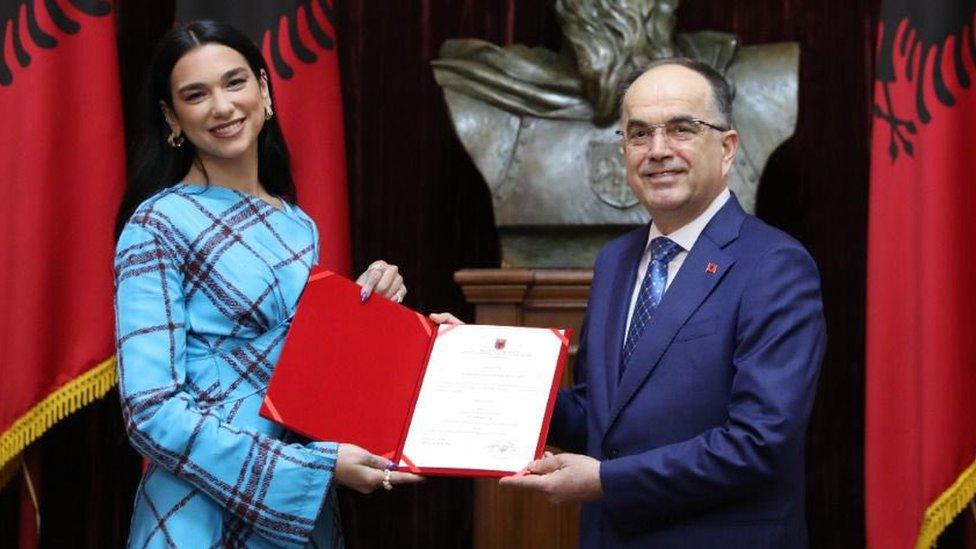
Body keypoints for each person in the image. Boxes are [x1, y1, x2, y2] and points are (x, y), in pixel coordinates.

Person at [114, 20, 428, 548]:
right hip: (198, 507)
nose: (222, 106)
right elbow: (150, 410)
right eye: (196, 94)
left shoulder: (296, 223)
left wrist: (373, 310)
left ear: (263, 88)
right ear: (172, 116)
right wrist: (313, 468)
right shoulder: (157, 224)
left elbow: (302, 375)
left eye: (234, 82)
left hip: (300, 514)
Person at [500, 58, 826, 548]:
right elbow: (602, 411)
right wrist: (482, 368)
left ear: (728, 147)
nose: (657, 151)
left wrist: (606, 481)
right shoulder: (615, 261)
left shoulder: (775, 265)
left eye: (681, 129)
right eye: (638, 133)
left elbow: (759, 443)